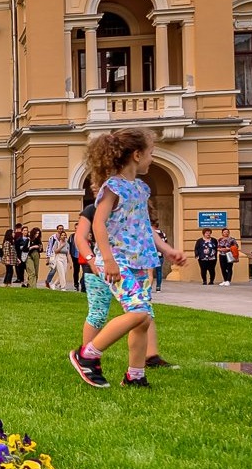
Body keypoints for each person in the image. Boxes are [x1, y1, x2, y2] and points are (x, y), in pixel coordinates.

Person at [69, 129, 185, 389]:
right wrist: (107, 260)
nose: (151, 159)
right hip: (118, 261)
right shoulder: (113, 186)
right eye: (150, 154)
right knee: (138, 312)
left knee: (143, 320)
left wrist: (167, 250)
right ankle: (87, 355)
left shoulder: (141, 188)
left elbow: (145, 227)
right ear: (136, 155)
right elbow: (98, 225)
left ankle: (135, 375)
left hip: (140, 262)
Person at [44, 224, 71, 290]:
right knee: (54, 271)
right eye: (59, 229)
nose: (61, 230)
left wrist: (70, 262)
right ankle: (62, 287)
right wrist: (48, 257)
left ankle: (54, 284)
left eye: (62, 229)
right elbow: (50, 248)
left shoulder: (67, 242)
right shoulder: (54, 238)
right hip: (56, 257)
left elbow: (68, 253)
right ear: (57, 229)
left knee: (63, 273)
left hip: (64, 258)